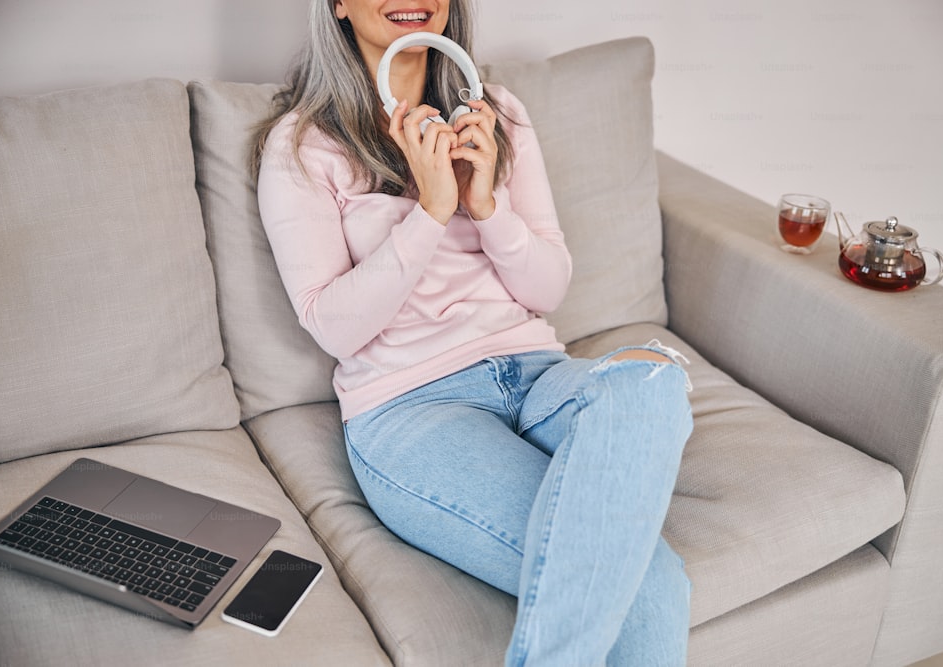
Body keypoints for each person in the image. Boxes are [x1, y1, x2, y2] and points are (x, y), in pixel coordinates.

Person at [254, 1, 694, 664]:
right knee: (654, 589)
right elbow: (333, 326)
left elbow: (547, 287)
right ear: (338, 4)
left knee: (655, 378)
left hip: (537, 373)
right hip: (413, 406)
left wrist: (486, 204)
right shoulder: (304, 145)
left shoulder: (498, 113)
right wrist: (430, 210)